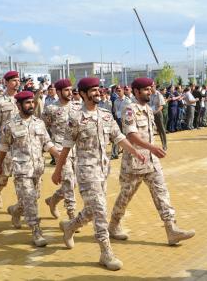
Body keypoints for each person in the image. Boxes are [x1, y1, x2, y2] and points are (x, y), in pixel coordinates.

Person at [51, 77, 145, 271]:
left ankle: (70, 226)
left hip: (103, 170)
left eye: (98, 89)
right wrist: (58, 170)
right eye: (92, 90)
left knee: (93, 209)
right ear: (84, 94)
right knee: (100, 210)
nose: (97, 93)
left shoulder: (106, 115)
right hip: (86, 171)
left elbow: (118, 138)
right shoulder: (76, 118)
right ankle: (106, 252)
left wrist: (135, 151)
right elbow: (66, 148)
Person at [109, 77, 195, 246]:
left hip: (151, 160)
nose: (150, 92)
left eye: (151, 88)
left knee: (161, 192)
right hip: (135, 161)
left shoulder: (148, 109)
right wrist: (152, 148)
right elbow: (131, 135)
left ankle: (172, 229)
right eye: (146, 89)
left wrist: (152, 150)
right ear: (136, 91)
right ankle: (113, 224)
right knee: (126, 196)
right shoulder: (129, 108)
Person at [0, 91, 59, 247]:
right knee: (31, 200)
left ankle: (15, 210)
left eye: (32, 102)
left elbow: (47, 143)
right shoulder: (10, 125)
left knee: (33, 197)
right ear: (19, 105)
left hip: (37, 168)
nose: (31, 105)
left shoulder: (39, 123)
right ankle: (36, 231)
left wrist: (59, 156)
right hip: (21, 169)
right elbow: (4, 147)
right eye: (27, 103)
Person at [42, 79, 80, 220]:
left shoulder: (78, 107)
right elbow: (42, 129)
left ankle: (53, 200)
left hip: (77, 149)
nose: (70, 92)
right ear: (58, 92)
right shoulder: (51, 109)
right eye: (67, 90)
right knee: (69, 181)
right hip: (59, 148)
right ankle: (72, 216)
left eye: (71, 89)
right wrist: (49, 147)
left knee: (75, 182)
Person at [0, 71, 20, 208]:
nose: (17, 83)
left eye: (18, 80)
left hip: (23, 144)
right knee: (4, 176)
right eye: (13, 80)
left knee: (23, 176)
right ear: (6, 83)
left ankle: (22, 205)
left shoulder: (24, 99)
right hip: (6, 144)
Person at [150, 85, 167, 150]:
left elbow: (161, 106)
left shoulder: (159, 95)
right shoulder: (150, 95)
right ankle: (151, 144)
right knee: (153, 129)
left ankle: (164, 144)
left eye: (151, 87)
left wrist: (156, 112)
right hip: (151, 114)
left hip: (157, 113)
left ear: (154, 87)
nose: (150, 88)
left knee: (161, 129)